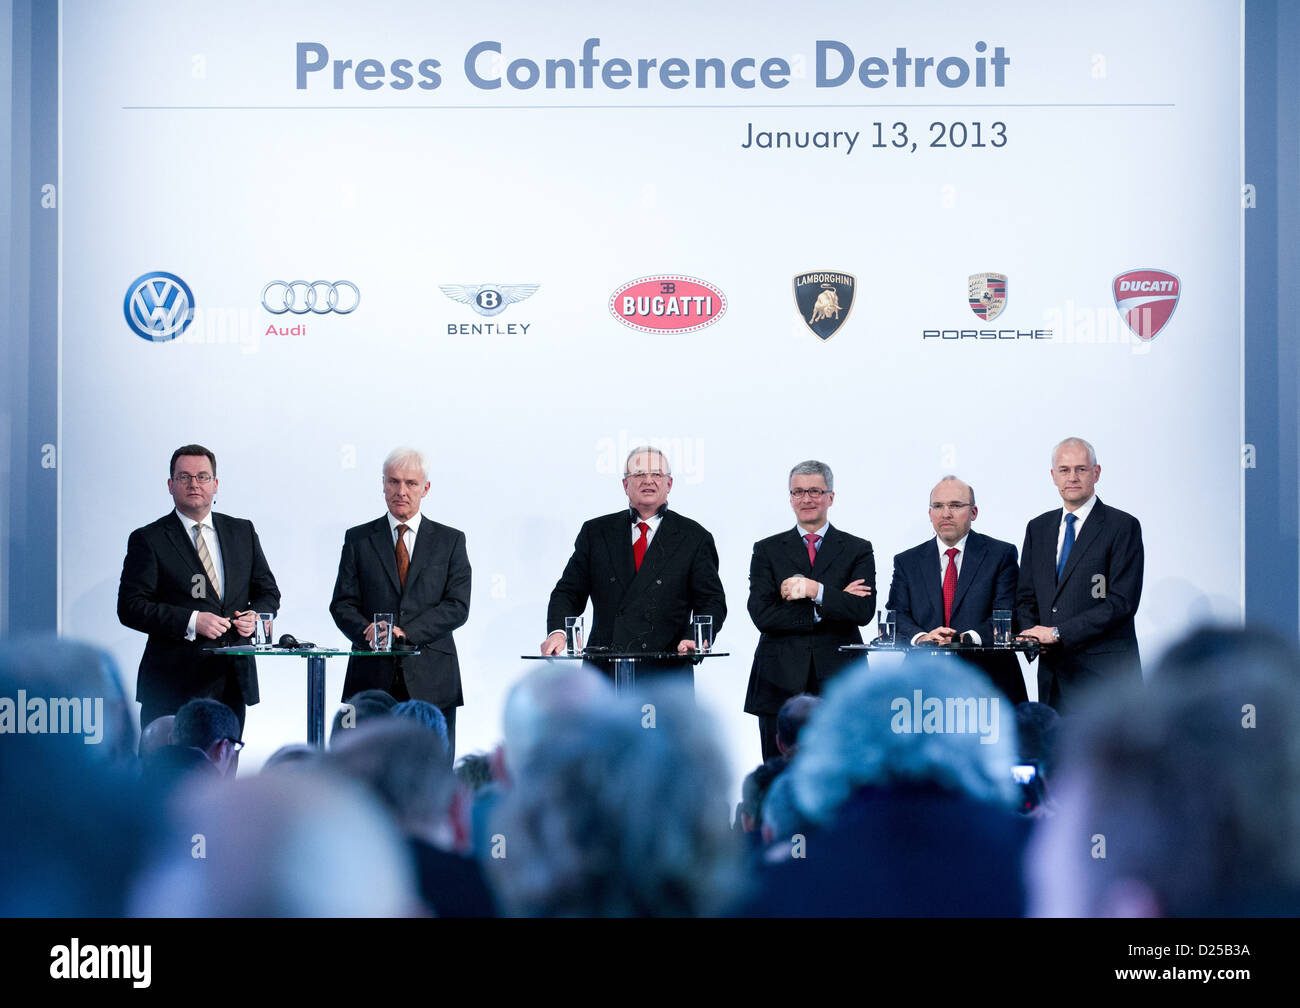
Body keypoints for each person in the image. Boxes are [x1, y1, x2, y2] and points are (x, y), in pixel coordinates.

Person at [117, 444, 280, 731]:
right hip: (172, 684)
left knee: (224, 770)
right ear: (170, 485)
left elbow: (268, 592)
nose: (194, 483)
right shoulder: (149, 538)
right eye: (184, 477)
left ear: (215, 484)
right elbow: (130, 607)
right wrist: (192, 621)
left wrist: (256, 618)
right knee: (170, 773)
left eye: (203, 476)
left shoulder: (242, 531)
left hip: (232, 682)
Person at [330, 448, 472, 756]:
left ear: (426, 488)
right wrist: (366, 629)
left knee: (432, 776)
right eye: (394, 482)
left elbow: (457, 606)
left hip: (433, 680)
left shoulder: (451, 541)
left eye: (411, 483)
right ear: (382, 484)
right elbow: (341, 604)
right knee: (366, 773)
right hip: (371, 678)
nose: (401, 491)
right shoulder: (358, 539)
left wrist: (405, 631)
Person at [540, 446, 726, 679]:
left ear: (669, 485)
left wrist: (695, 638)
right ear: (625, 485)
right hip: (604, 671)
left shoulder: (694, 537)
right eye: (638, 475)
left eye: (657, 474)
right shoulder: (596, 533)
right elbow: (567, 592)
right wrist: (557, 632)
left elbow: (711, 601)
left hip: (665, 674)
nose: (648, 480)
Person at [745, 461, 874, 760]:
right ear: (790, 498)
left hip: (840, 679)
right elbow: (762, 614)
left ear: (830, 496)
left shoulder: (858, 549)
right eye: (799, 492)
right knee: (778, 776)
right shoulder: (767, 550)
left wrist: (815, 591)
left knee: (842, 773)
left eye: (815, 491)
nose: (806, 499)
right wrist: (832, 602)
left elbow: (863, 610)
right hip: (779, 679)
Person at [1016, 438, 1143, 712]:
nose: (1072, 477)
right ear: (1053, 476)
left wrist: (1058, 633)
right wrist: (1032, 637)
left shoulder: (1122, 526)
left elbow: (1121, 602)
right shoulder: (1037, 528)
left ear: (1096, 473)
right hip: (1053, 676)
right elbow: (1026, 597)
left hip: (1105, 679)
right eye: (1064, 470)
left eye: (1081, 469)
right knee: (1055, 754)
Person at [886, 475, 1025, 703]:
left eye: (956, 505)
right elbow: (897, 614)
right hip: (922, 685)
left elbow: (1007, 614)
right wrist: (923, 638)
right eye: (938, 506)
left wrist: (965, 639)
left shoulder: (1001, 555)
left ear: (974, 512)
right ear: (930, 514)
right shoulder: (907, 561)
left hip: (987, 681)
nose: (946, 513)